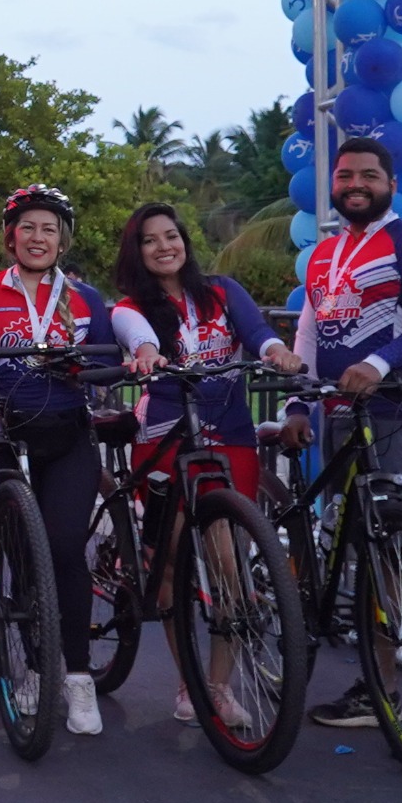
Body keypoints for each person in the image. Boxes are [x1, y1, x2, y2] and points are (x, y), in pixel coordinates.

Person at [279, 135, 402, 729]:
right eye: (345, 175)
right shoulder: (325, 254)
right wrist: (300, 405)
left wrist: (379, 366)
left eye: (368, 175)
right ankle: (375, 687)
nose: (356, 184)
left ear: (392, 184)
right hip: (341, 416)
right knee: (365, 557)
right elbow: (308, 332)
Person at [108, 200, 304, 729]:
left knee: (228, 566)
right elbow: (138, 337)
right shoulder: (130, 306)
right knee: (172, 569)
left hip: (231, 433)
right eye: (150, 240)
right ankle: (188, 681)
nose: (164, 246)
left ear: (185, 241)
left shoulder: (222, 290)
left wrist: (277, 352)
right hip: (168, 434)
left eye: (171, 235)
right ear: (137, 251)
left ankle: (215, 686)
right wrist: (147, 354)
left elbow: (258, 332)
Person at [0, 185, 115, 736]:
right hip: (4, 434)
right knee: (21, 551)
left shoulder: (86, 298)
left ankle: (77, 676)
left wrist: (99, 365)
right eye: (28, 227)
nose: (38, 237)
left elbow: (111, 360)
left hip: (68, 433)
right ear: (11, 237)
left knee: (66, 548)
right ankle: (33, 667)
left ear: (62, 239)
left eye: (49, 229)